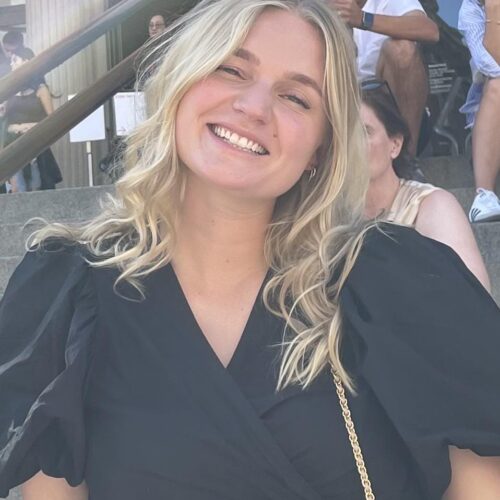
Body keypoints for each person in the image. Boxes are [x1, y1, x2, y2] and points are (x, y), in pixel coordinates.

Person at [0, 1, 499, 499]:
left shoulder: (394, 282)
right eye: (231, 69)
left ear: (321, 147)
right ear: (180, 82)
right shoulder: (66, 294)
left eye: (296, 98)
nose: (255, 107)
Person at [361, 81, 491, 290]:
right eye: (342, 133)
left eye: (364, 132)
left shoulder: (430, 205)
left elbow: (471, 296)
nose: (351, 143)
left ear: (395, 144)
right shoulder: (325, 214)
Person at [329, 0, 439, 155]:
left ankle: (407, 157)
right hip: (338, 110)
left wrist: (362, 18)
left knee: (402, 50)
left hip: (386, 107)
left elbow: (430, 30)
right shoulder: (317, 5)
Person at [459, 0, 500, 222]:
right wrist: (493, 11)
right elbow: (491, 66)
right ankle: (484, 196)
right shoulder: (471, 9)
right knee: (497, 85)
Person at [4, 46, 62, 192]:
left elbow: (52, 119)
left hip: (35, 144)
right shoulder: (10, 90)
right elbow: (5, 121)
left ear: (27, 61)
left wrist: (29, 126)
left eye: (15, 60)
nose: (11, 64)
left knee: (36, 184)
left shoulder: (41, 89)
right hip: (13, 144)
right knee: (17, 187)